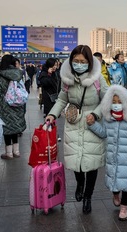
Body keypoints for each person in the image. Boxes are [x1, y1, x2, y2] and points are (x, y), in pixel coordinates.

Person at [45, 45, 108, 214]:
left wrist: (95, 115)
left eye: (83, 61)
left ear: (89, 62)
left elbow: (106, 100)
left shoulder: (97, 79)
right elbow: (61, 99)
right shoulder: (67, 78)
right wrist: (52, 114)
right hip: (73, 122)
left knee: (92, 163)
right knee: (75, 161)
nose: (79, 64)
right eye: (76, 61)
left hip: (92, 124)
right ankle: (80, 183)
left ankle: (88, 197)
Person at [87, 85, 127, 221]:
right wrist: (92, 125)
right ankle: (115, 194)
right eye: (114, 102)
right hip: (112, 157)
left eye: (120, 102)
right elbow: (103, 133)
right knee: (113, 180)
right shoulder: (108, 120)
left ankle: (124, 207)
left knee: (126, 185)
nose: (117, 105)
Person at [0, 55, 26, 159]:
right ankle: (17, 151)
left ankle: (9, 153)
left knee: (7, 129)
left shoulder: (0, 76)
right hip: (17, 104)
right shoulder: (18, 74)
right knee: (14, 128)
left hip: (4, 106)